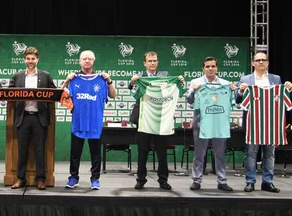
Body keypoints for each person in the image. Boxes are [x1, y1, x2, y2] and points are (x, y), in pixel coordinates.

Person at [238, 51, 292, 193]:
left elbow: (283, 96)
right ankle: (250, 181)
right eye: (258, 60)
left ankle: (267, 182)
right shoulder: (245, 79)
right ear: (253, 63)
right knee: (250, 154)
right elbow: (238, 101)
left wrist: (289, 89)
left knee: (270, 154)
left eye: (264, 60)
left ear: (267, 63)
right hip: (253, 124)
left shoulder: (276, 79)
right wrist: (240, 91)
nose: (261, 62)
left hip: (272, 123)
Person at [62, 50, 116, 190]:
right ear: (79, 61)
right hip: (78, 123)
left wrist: (109, 81)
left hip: (95, 124)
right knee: (75, 153)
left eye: (90, 59)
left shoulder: (102, 80)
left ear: (93, 61)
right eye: (84, 59)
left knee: (96, 154)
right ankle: (73, 178)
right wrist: (67, 81)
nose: (87, 61)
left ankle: (95, 179)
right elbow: (59, 95)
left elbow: (113, 95)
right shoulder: (73, 80)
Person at [129, 52, 182, 190]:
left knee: (162, 153)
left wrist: (180, 81)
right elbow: (132, 91)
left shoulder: (165, 77)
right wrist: (132, 82)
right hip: (144, 119)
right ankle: (140, 179)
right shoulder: (140, 77)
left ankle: (163, 180)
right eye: (150, 61)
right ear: (144, 63)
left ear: (157, 62)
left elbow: (175, 89)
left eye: (155, 60)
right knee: (142, 152)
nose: (152, 63)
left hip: (160, 120)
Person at [9, 47, 56, 191]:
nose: (30, 61)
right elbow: (8, 93)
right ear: (24, 59)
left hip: (39, 118)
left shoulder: (46, 76)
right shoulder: (17, 76)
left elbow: (54, 93)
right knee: (22, 150)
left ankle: (41, 179)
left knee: (40, 150)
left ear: (37, 59)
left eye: (33, 59)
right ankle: (20, 178)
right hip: (23, 118)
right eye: (28, 59)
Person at [187, 57, 236, 191]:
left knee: (220, 153)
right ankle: (196, 180)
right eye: (207, 66)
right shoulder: (195, 82)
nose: (210, 69)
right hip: (200, 122)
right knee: (199, 153)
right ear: (203, 68)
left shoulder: (225, 84)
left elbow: (234, 101)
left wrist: (234, 90)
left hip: (218, 122)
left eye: (213, 66)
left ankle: (222, 180)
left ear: (217, 68)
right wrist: (193, 91)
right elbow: (190, 101)